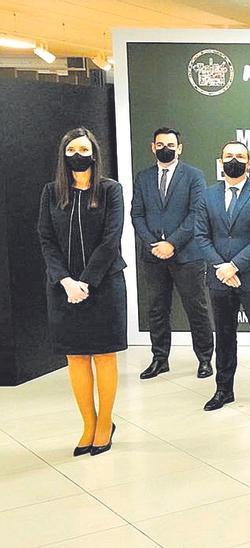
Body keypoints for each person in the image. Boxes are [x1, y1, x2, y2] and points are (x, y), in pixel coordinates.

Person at [37, 127, 126, 456]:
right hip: (63, 289)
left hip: (103, 286)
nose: (78, 154)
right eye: (72, 149)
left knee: (103, 355)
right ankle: (87, 423)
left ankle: (105, 423)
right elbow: (46, 239)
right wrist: (65, 281)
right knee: (75, 357)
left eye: (83, 148)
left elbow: (110, 239)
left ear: (94, 154)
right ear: (64, 154)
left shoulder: (110, 190)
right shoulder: (51, 192)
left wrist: (86, 282)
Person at [192, 141, 250, 413]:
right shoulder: (207, 196)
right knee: (225, 335)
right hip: (219, 278)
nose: (234, 160)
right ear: (220, 161)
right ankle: (223, 389)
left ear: (249, 163)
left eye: (240, 156)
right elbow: (201, 236)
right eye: (229, 156)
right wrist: (221, 266)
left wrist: (234, 266)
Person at [131, 127, 215, 380]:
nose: (165, 148)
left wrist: (173, 244)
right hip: (153, 255)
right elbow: (137, 214)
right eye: (160, 144)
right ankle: (159, 359)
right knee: (156, 308)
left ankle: (204, 359)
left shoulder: (194, 176)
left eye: (170, 144)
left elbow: (197, 213)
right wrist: (153, 243)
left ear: (179, 148)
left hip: (187, 254)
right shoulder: (143, 177)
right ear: (153, 147)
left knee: (196, 308)